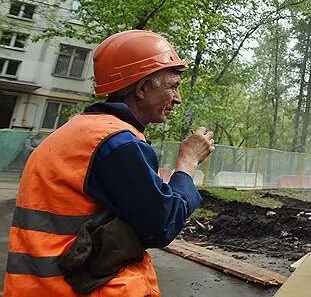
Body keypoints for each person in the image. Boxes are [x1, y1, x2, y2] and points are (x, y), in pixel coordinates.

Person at [4, 30, 216, 296]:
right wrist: (188, 162)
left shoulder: (79, 131)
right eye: (172, 86)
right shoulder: (115, 143)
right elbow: (162, 225)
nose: (178, 98)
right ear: (142, 88)